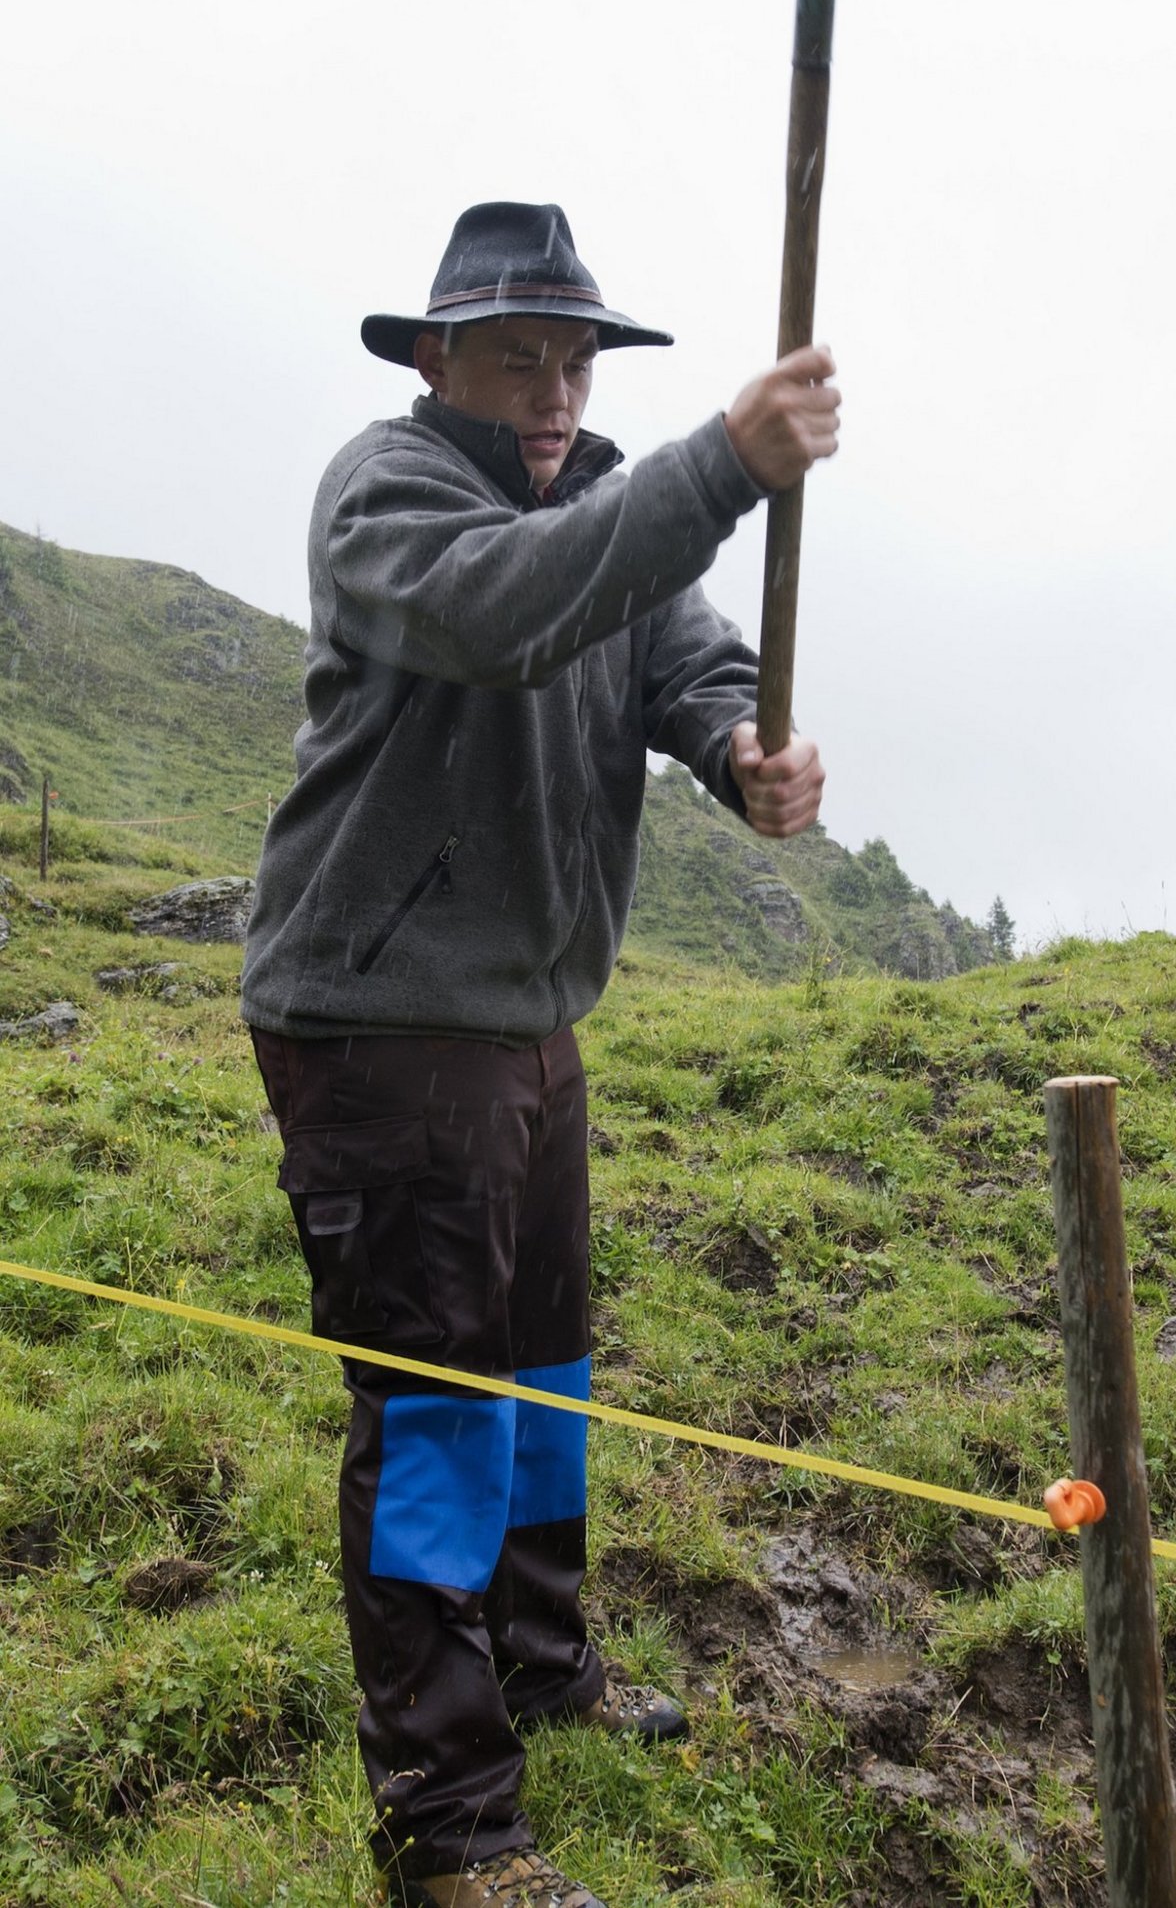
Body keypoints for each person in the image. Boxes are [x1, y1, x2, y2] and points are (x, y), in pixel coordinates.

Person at [241, 201, 837, 1908]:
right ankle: (449, 1821)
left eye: (575, 361)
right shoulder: (390, 497)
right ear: (440, 361)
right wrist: (726, 456)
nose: (558, 394)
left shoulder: (595, 498)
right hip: (379, 1013)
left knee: (542, 1366)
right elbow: (513, 610)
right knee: (437, 1404)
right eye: (521, 361)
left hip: (525, 1012)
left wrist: (738, 745)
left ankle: (538, 1658)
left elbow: (671, 647)